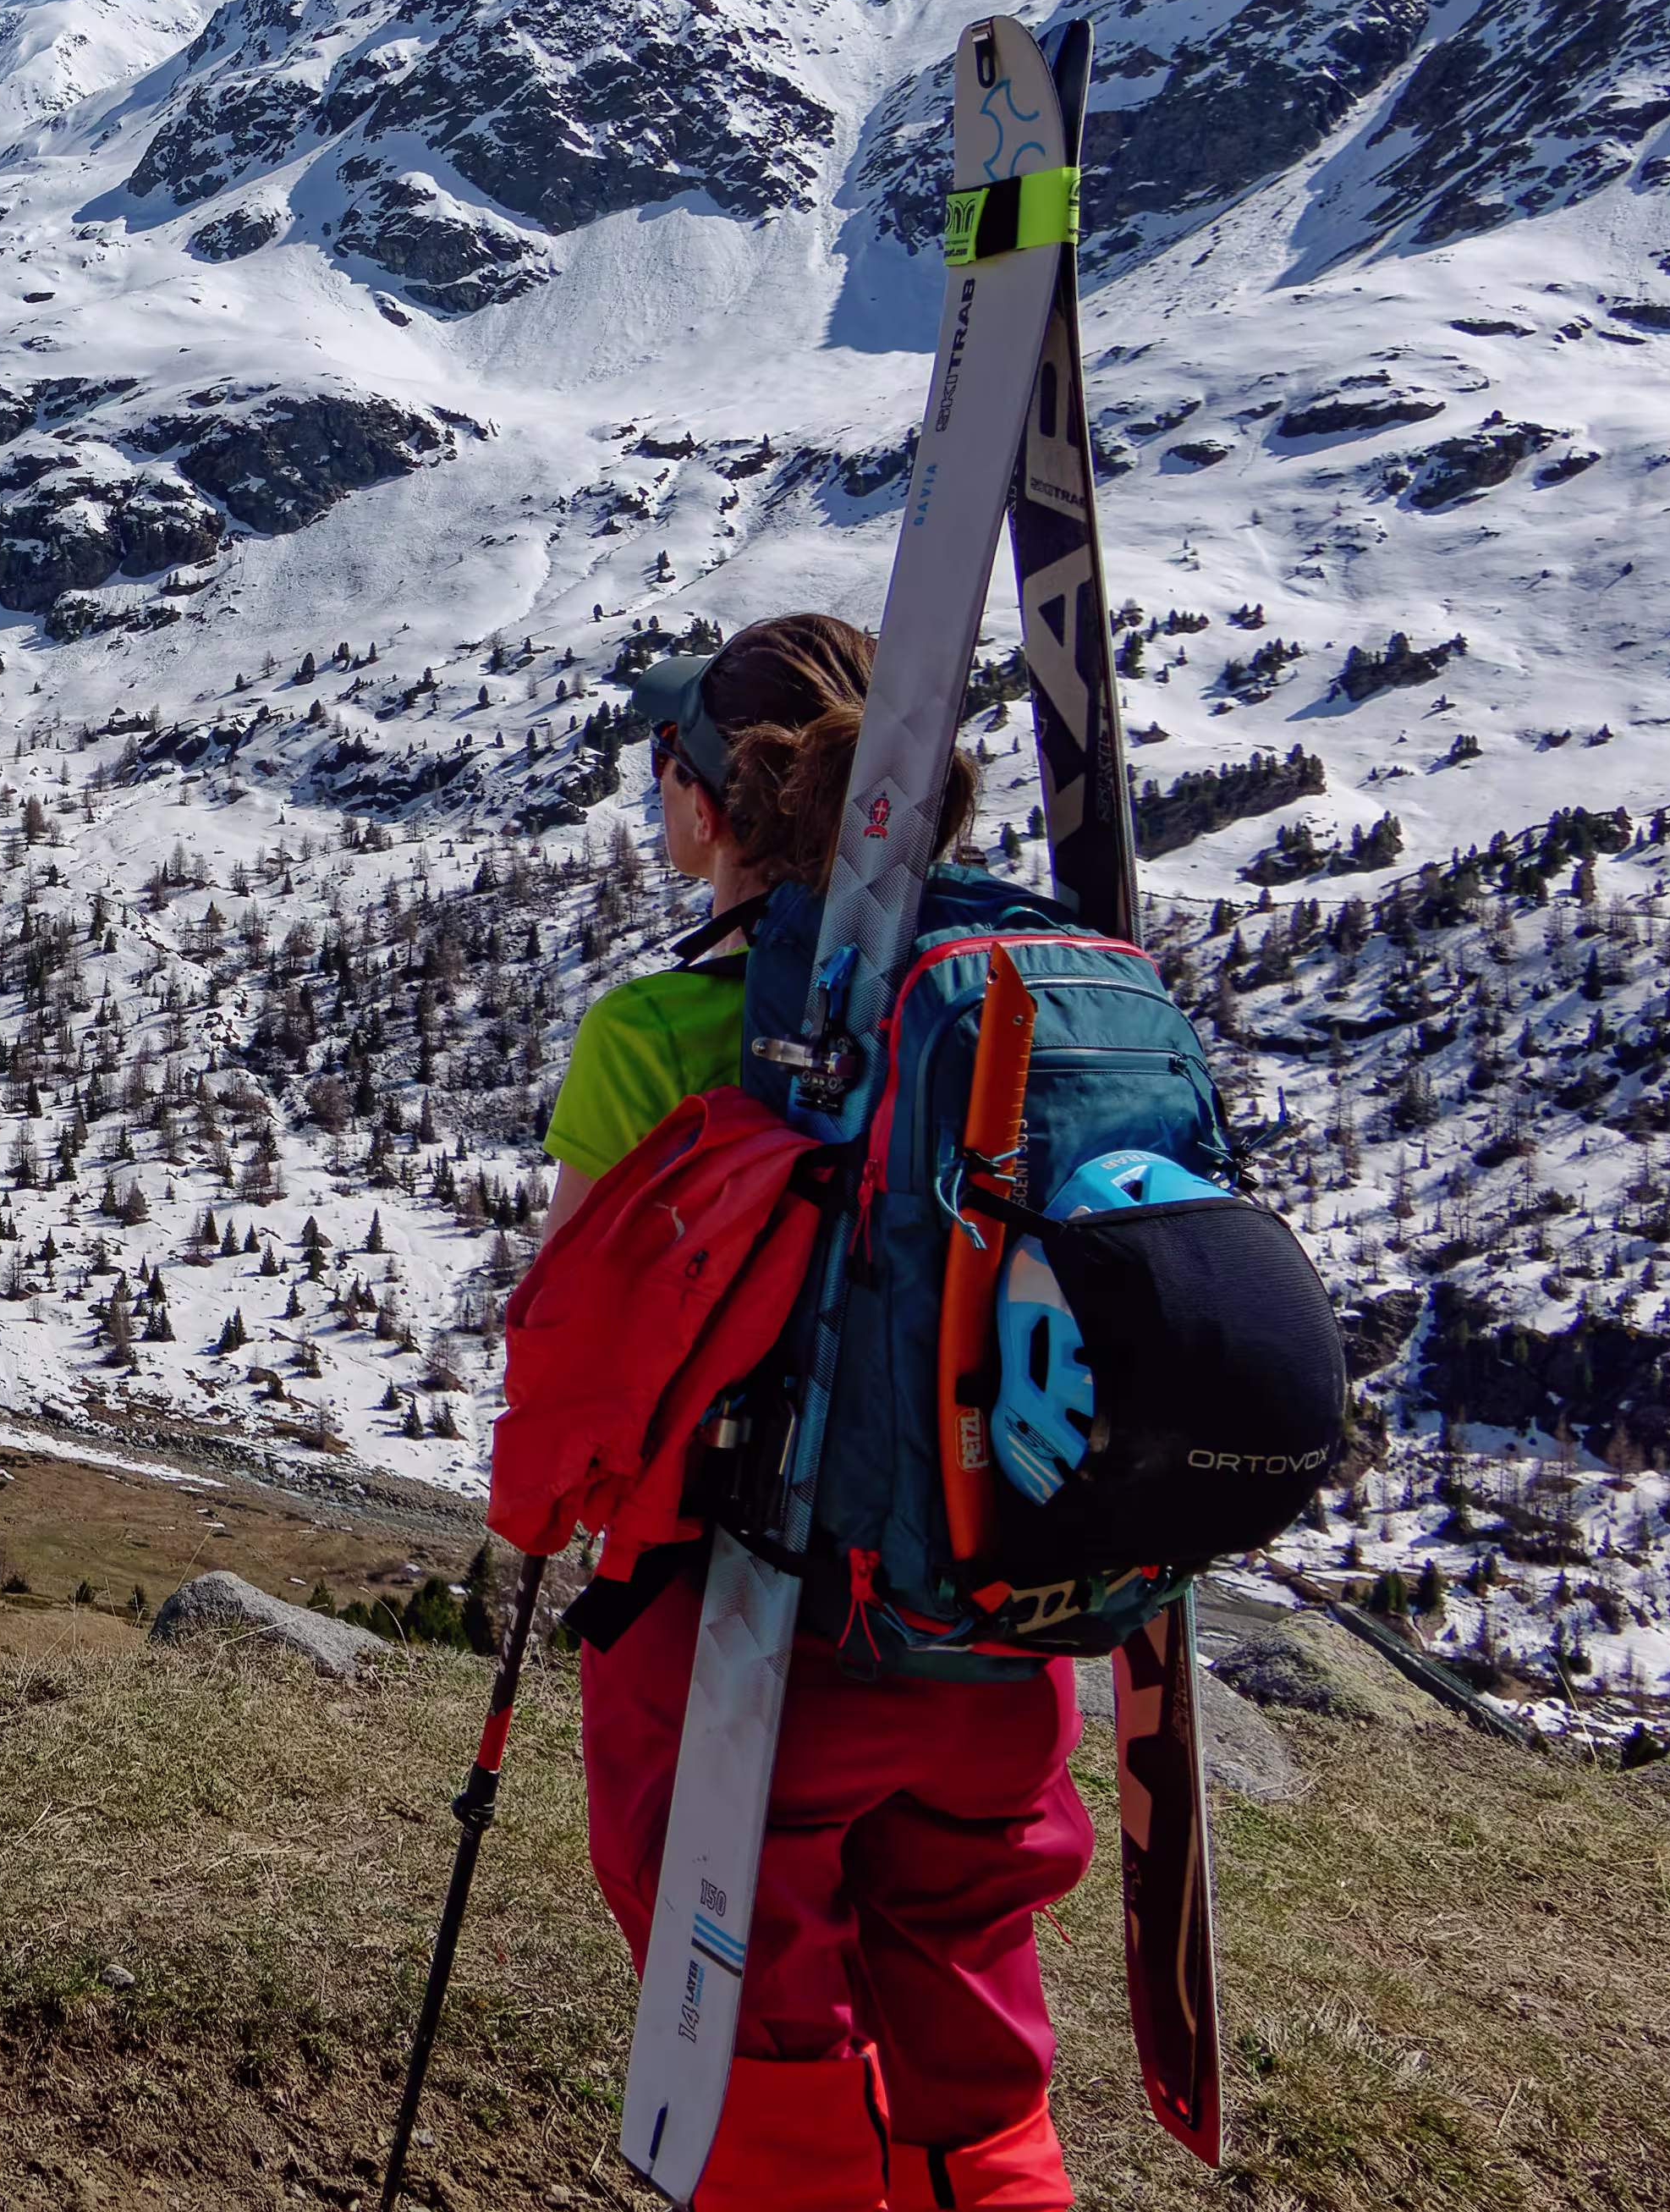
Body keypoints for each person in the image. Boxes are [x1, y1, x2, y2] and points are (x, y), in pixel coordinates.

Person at [546, 614, 1079, 2212]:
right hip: (993, 1631)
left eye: (666, 773)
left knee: (768, 2064)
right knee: (972, 2075)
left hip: (753, 1660)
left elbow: (581, 1384)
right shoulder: (1007, 1011)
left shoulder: (656, 1041)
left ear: (707, 808)